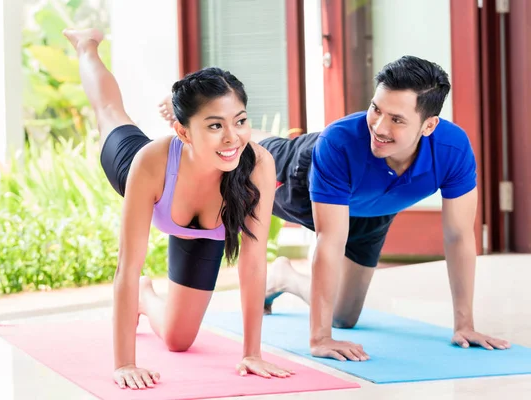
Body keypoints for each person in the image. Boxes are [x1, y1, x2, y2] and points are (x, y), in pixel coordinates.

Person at [159, 55, 511, 363]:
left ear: (429, 125)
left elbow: (460, 235)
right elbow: (329, 240)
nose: (379, 127)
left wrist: (465, 324)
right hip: (301, 175)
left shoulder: (452, 149)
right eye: (376, 109)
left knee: (344, 316)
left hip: (372, 210)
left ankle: (284, 277)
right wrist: (319, 337)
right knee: (250, 157)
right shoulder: (340, 141)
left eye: (397, 120)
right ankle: (229, 127)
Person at [63, 28, 293, 391]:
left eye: (240, 121)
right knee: (109, 112)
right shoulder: (150, 162)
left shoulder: (257, 165)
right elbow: (128, 264)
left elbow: (252, 261)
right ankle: (86, 45)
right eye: (215, 125)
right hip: (140, 173)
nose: (233, 137)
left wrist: (251, 353)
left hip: (201, 233)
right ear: (183, 133)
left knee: (177, 341)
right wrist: (125, 363)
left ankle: (146, 297)